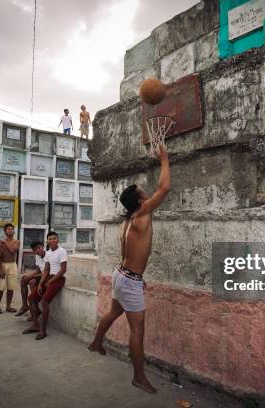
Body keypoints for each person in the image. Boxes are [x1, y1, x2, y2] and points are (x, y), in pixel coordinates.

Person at [88, 145, 170, 394]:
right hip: (128, 279)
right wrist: (164, 159)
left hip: (123, 275)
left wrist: (136, 277)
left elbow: (132, 254)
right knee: (138, 329)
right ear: (138, 200)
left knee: (113, 312)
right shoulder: (142, 213)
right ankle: (139, 377)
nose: (146, 192)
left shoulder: (129, 220)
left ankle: (95, 343)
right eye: (141, 191)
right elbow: (164, 188)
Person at [23, 231, 67, 340]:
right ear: (47, 241)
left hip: (58, 279)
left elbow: (63, 270)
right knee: (31, 298)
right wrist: (41, 284)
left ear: (58, 240)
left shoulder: (62, 251)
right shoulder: (49, 253)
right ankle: (35, 325)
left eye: (54, 238)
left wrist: (51, 281)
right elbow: (46, 270)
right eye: (50, 239)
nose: (52, 240)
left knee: (44, 302)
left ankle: (43, 330)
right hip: (48, 278)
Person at [15, 241, 46, 317]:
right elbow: (38, 269)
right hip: (41, 275)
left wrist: (32, 277)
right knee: (23, 279)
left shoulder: (48, 256)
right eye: (35, 250)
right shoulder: (37, 256)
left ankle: (35, 310)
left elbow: (47, 272)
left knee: (32, 282)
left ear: (43, 246)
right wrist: (29, 276)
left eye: (39, 248)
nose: (37, 251)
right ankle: (25, 305)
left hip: (47, 276)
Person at [0, 223, 20, 314]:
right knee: (0, 287)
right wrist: (1, 269)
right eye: (8, 229)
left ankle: (8, 306)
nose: (10, 230)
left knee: (11, 288)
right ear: (5, 231)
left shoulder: (16, 242)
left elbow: (13, 250)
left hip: (13, 265)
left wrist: (5, 242)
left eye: (12, 229)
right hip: (3, 265)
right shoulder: (0, 243)